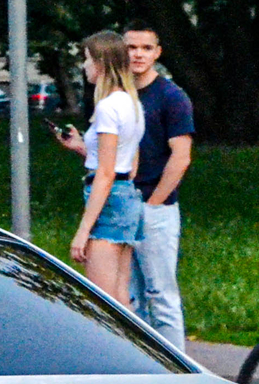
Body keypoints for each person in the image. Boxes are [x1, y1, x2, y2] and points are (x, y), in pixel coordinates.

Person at [123, 26, 195, 352]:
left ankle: (180, 376)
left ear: (157, 53)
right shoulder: (119, 95)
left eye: (145, 48)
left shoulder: (171, 97)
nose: (138, 54)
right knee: (130, 296)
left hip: (157, 207)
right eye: (131, 47)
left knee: (161, 294)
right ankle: (145, 369)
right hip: (123, 203)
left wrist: (153, 204)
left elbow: (180, 158)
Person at [58, 30, 143, 302]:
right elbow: (127, 164)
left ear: (101, 62)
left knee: (103, 304)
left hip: (107, 203)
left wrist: (82, 232)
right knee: (121, 298)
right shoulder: (131, 104)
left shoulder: (107, 108)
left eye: (86, 59)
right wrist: (83, 148)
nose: (84, 66)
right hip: (127, 197)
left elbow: (105, 174)